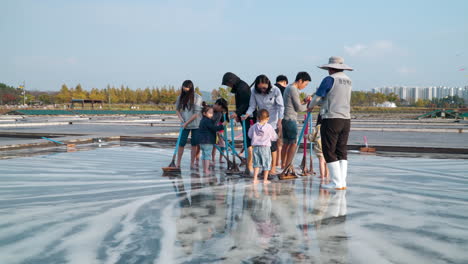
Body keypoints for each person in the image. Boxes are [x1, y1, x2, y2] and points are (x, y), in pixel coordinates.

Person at [308, 56, 353, 190]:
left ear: (330, 68)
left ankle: (336, 181)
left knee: (329, 149)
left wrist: (311, 105)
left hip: (332, 118)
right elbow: (332, 98)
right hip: (346, 118)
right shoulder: (348, 80)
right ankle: (342, 182)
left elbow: (318, 96)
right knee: (341, 150)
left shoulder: (330, 79)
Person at [242, 74, 284, 175]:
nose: (262, 90)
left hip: (273, 121)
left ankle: (272, 168)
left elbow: (280, 106)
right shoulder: (254, 91)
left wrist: (280, 120)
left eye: (264, 88)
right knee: (261, 147)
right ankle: (264, 168)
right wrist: (247, 114)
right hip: (261, 122)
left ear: (268, 84)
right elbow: (252, 105)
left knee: (272, 146)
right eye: (260, 88)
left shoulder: (275, 90)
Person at [222, 72, 255, 172]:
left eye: (228, 84)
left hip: (248, 117)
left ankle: (250, 164)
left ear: (231, 80)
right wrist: (238, 115)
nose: (228, 86)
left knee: (249, 140)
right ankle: (249, 163)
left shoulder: (243, 87)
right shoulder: (239, 87)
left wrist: (237, 113)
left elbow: (245, 103)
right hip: (243, 116)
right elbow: (239, 103)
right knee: (246, 139)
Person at [281, 72, 312, 170]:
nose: (304, 86)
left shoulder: (288, 88)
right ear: (300, 81)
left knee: (286, 144)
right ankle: (288, 165)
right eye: (305, 84)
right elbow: (298, 108)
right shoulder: (293, 89)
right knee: (293, 144)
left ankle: (284, 164)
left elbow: (294, 104)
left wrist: (304, 101)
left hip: (285, 119)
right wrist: (309, 107)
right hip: (291, 119)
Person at [175, 80, 202, 169]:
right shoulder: (180, 97)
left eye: (187, 87)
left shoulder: (197, 97)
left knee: (194, 144)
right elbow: (177, 110)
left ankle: (192, 163)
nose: (185, 89)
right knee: (181, 143)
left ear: (191, 88)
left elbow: (196, 113)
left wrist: (186, 122)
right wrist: (181, 119)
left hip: (195, 124)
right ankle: (178, 163)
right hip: (184, 125)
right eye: (184, 87)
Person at [248, 109, 278, 184]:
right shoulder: (269, 127)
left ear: (257, 118)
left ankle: (255, 178)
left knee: (256, 163)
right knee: (266, 163)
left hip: (256, 148)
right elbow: (274, 137)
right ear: (268, 118)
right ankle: (265, 179)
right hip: (265, 148)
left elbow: (249, 135)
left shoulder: (254, 126)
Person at [198, 103, 226, 174]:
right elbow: (213, 128)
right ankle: (206, 169)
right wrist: (222, 126)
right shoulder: (208, 121)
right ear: (204, 113)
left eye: (212, 113)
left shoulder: (202, 120)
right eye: (210, 113)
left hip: (201, 141)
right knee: (207, 155)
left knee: (204, 155)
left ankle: (204, 168)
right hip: (208, 141)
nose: (212, 114)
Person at [274, 75, 289, 169]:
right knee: (280, 143)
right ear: (284, 82)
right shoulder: (285, 90)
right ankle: (280, 163)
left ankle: (274, 162)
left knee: (272, 143)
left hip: (270, 119)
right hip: (281, 118)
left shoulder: (272, 88)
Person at [308, 114, 329, 179]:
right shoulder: (329, 126)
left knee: (321, 161)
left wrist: (306, 136)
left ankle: (322, 175)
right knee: (327, 161)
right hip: (328, 146)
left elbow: (312, 138)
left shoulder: (318, 127)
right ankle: (327, 175)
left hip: (320, 147)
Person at [211, 98, 229, 165]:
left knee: (220, 145)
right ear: (218, 105)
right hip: (206, 132)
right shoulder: (208, 110)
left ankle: (215, 160)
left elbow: (215, 125)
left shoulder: (219, 114)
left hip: (217, 131)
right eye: (221, 108)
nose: (222, 110)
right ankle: (209, 160)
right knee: (209, 147)